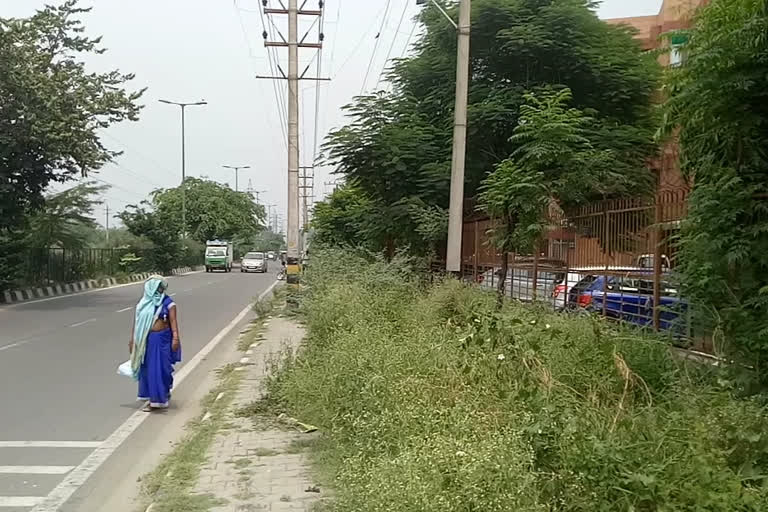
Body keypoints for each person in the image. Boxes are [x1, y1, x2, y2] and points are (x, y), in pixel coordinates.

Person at [128, 276, 181, 412]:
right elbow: (137, 323)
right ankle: (154, 399)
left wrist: (175, 338)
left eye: (160, 287)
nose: (159, 290)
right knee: (148, 369)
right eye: (156, 287)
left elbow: (173, 322)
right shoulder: (143, 304)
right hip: (146, 340)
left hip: (162, 339)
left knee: (161, 368)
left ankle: (160, 397)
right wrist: (133, 339)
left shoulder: (168, 303)